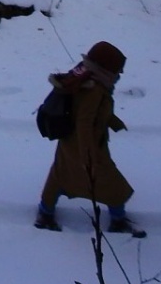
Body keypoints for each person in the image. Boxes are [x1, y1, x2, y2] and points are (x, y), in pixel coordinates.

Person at [34, 41, 145, 237]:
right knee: (111, 181)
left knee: (60, 175)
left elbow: (93, 112)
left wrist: (113, 122)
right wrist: (88, 155)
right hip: (87, 145)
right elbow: (84, 122)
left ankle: (45, 214)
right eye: (117, 70)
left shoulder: (83, 74)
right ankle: (118, 220)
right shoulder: (93, 88)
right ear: (106, 68)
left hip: (70, 141)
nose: (119, 75)